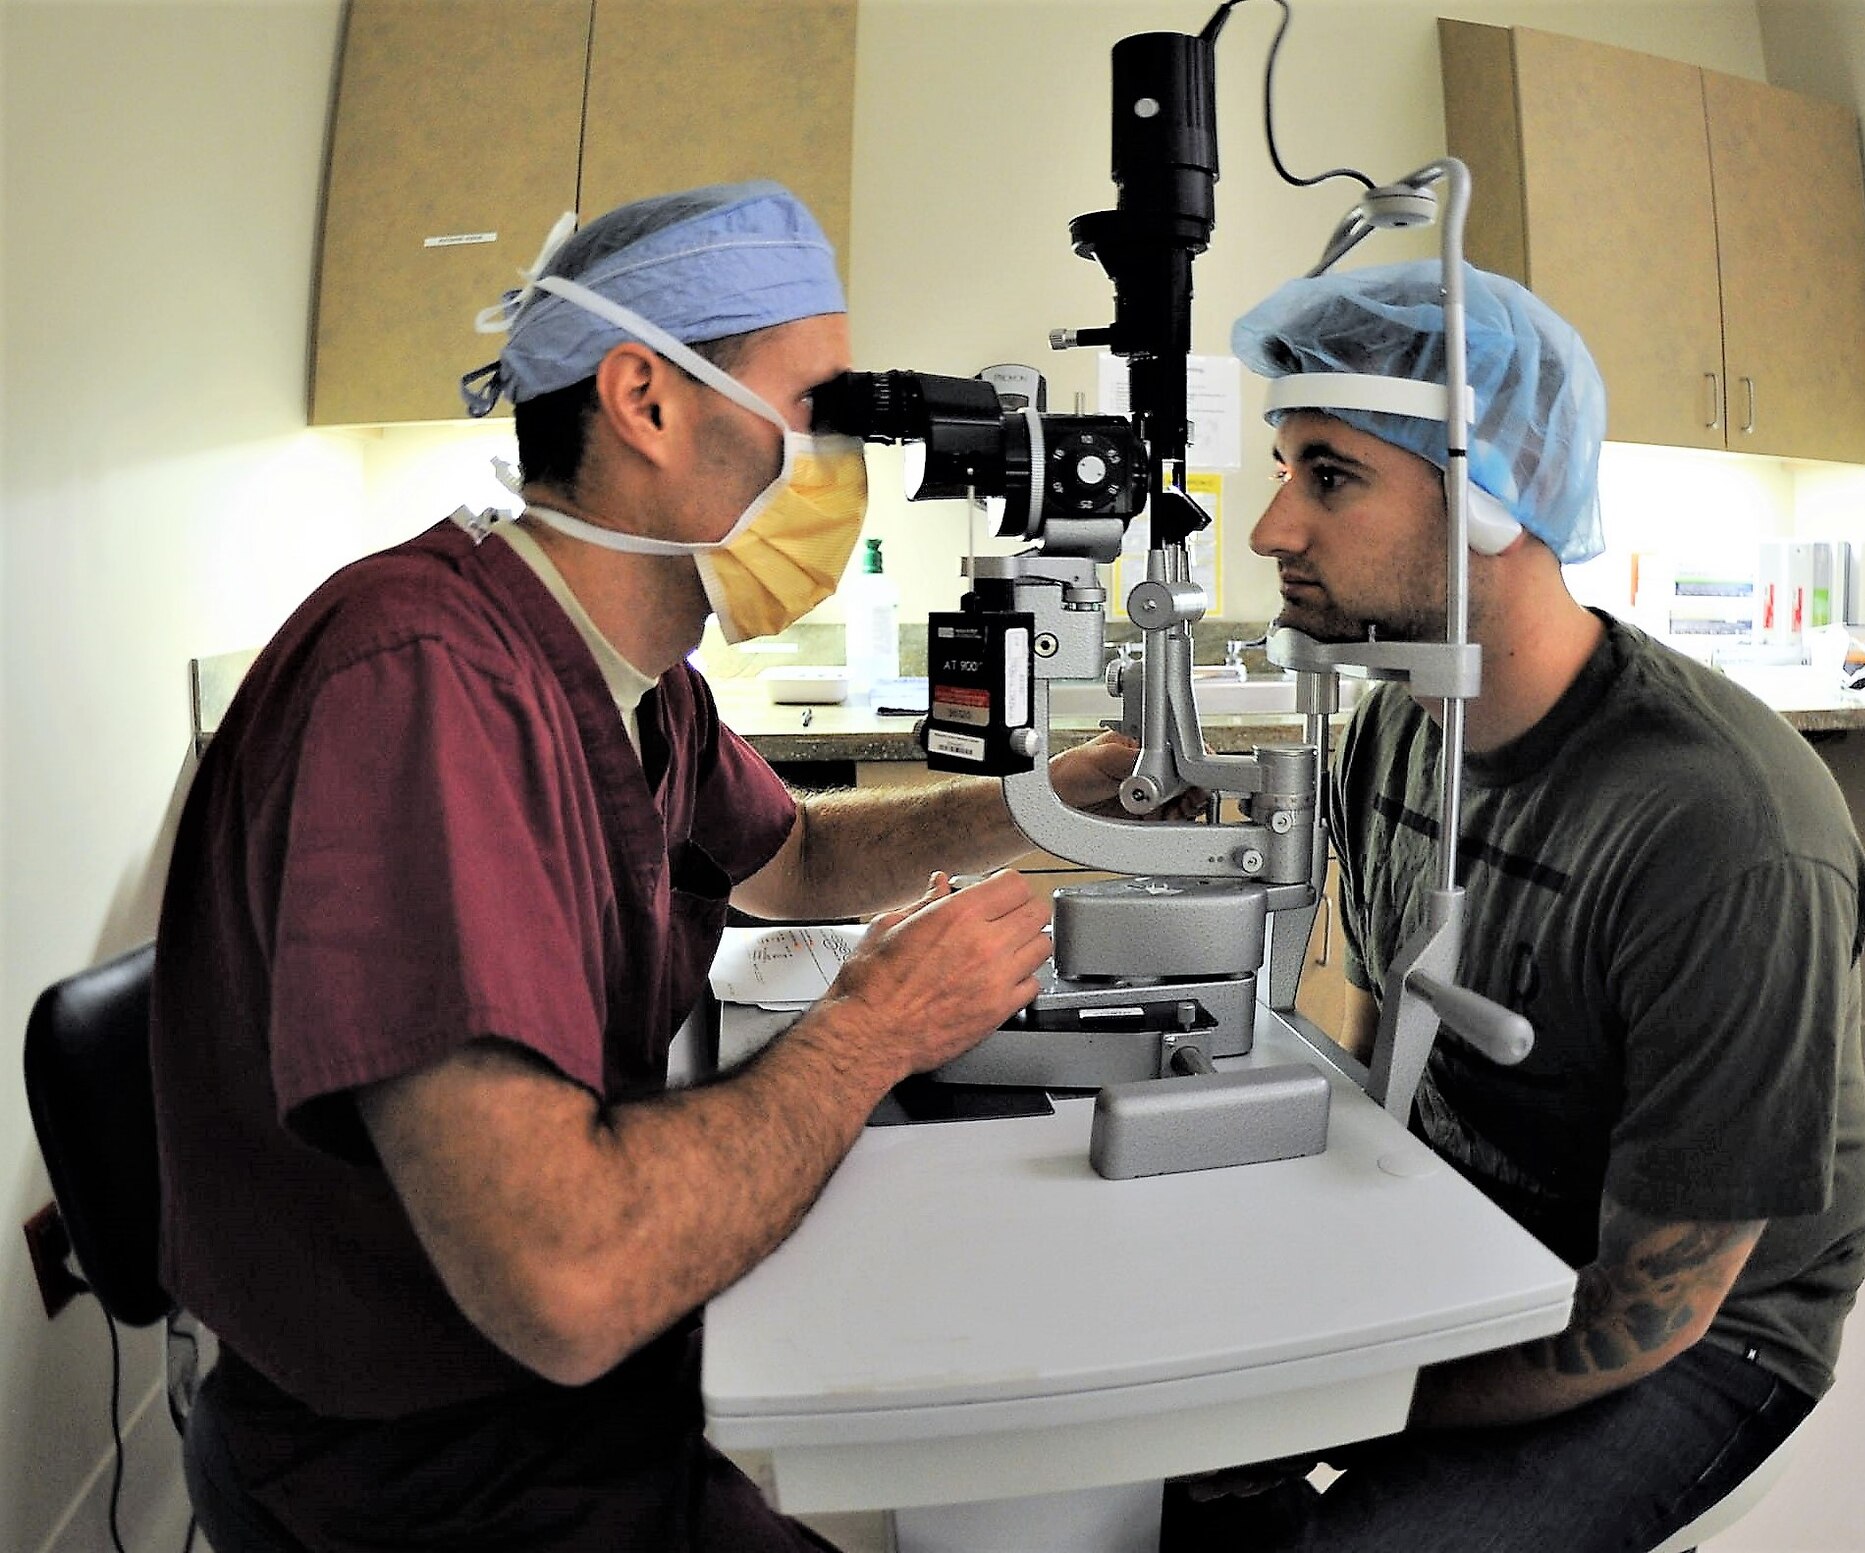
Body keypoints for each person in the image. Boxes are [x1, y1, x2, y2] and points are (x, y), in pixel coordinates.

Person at [152, 181, 1151, 1552]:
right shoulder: (423, 683)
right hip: (421, 1476)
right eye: (819, 409)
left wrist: (1053, 801)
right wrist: (872, 1030)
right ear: (648, 400)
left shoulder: (632, 676)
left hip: (552, 1407)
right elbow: (566, 1277)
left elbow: (794, 861)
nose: (845, 459)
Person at [1163, 261, 1865, 1552]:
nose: (1272, 531)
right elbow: (1390, 1051)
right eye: (1285, 469)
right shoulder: (1398, 729)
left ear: (1490, 495)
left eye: (1329, 475)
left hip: (1694, 1329)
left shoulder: (1723, 832)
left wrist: (1343, 1402)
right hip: (1488, 1227)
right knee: (1157, 1453)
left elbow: (1654, 1309)